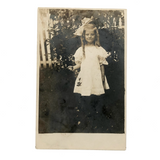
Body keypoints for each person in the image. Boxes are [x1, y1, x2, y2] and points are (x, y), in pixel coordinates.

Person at [68, 22, 111, 132]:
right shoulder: (81, 50)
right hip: (86, 77)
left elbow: (101, 64)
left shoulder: (99, 50)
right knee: (85, 97)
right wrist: (74, 67)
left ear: (95, 36)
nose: (89, 37)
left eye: (92, 34)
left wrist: (102, 77)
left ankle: (96, 120)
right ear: (84, 36)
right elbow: (79, 64)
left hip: (96, 77)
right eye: (87, 34)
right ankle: (86, 119)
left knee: (96, 97)